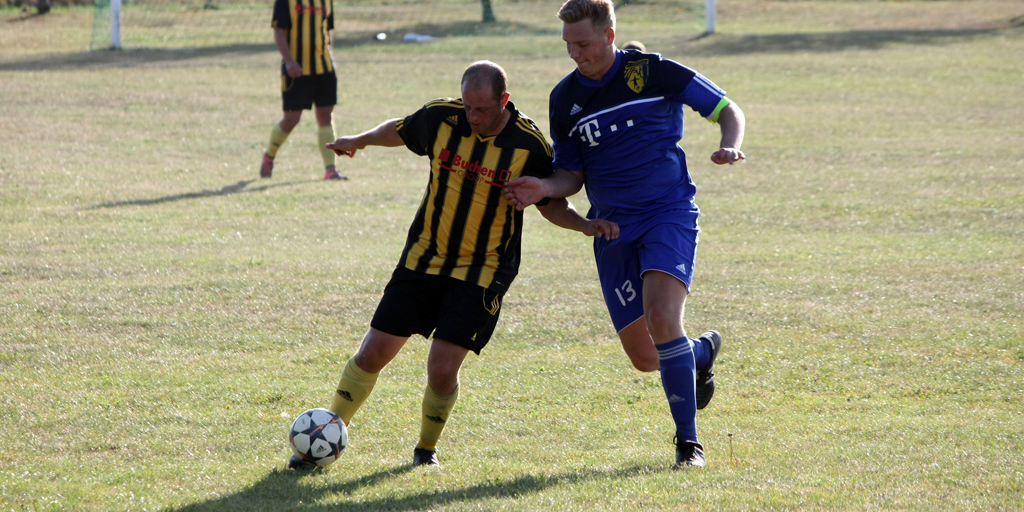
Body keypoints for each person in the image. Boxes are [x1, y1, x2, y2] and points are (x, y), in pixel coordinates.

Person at [288, 60, 619, 470]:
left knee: (442, 369)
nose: (473, 117)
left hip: (483, 270)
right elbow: (402, 128)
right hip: (423, 258)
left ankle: (425, 451)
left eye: (482, 109)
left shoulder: (529, 145)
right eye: (468, 107)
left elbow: (552, 201)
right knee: (372, 354)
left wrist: (585, 225)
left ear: (504, 101)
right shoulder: (442, 119)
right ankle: (323, 437)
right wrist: (362, 139)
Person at [503, 0, 746, 469]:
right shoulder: (565, 98)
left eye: (584, 44)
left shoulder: (652, 73)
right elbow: (570, 175)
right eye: (568, 46)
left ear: (610, 36)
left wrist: (729, 144)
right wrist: (543, 187)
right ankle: (698, 352)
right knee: (644, 356)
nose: (575, 54)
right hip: (611, 228)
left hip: (667, 212)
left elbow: (725, 108)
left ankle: (687, 444)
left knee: (661, 317)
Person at [260, 0, 346, 181]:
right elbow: (279, 31)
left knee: (325, 116)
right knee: (292, 119)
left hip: (324, 68)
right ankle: (269, 156)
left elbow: (327, 30)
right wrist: (289, 61)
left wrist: (331, 55)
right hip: (297, 70)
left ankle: (331, 170)